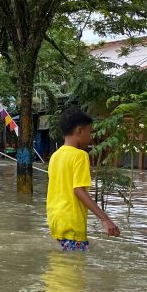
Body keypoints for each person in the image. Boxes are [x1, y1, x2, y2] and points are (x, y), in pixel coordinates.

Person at [47, 107, 120, 251]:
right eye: (90, 131)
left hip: (55, 220)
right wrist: (105, 219)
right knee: (75, 269)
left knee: (61, 266)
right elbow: (79, 191)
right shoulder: (80, 156)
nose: (91, 136)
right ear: (79, 131)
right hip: (72, 223)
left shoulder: (55, 156)